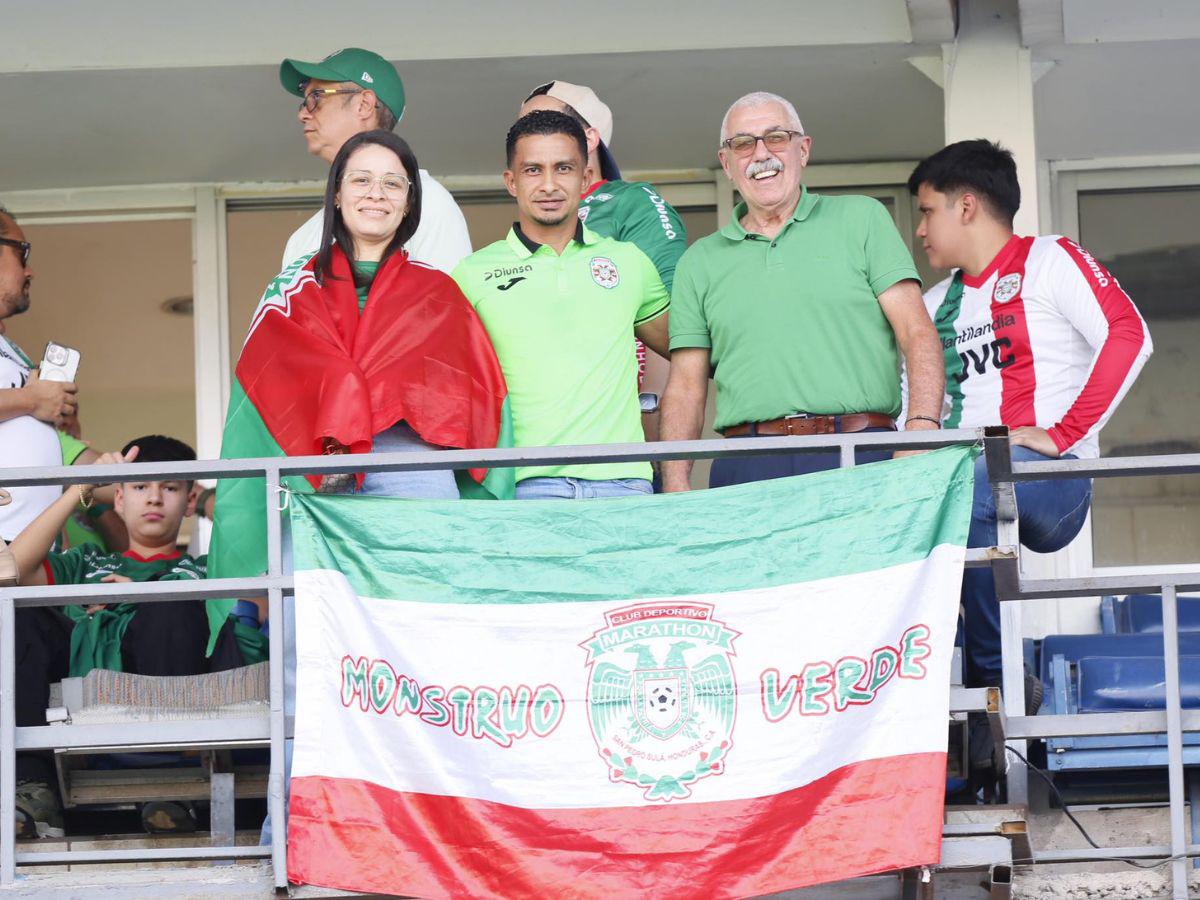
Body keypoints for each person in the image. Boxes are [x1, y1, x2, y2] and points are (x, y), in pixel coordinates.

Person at [209, 129, 509, 842]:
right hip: (314, 486)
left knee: (424, 654)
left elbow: (479, 401)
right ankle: (298, 834)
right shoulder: (289, 291)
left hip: (414, 481)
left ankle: (430, 839)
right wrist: (257, 525)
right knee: (308, 660)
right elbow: (259, 405)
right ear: (336, 195)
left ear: (410, 204)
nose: (376, 193)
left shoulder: (442, 292)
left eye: (392, 183)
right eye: (362, 179)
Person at [907, 139, 1152, 693]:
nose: (919, 231)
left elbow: (1129, 335)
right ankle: (942, 693)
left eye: (926, 211)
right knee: (923, 495)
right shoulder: (932, 303)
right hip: (967, 489)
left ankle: (995, 673)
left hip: (1054, 483)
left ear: (965, 206)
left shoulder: (1049, 258)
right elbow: (913, 410)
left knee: (965, 481)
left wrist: (1064, 433)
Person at [659, 92, 945, 491]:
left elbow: (916, 332)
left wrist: (920, 430)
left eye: (776, 137)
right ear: (727, 164)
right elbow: (687, 384)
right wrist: (674, 478)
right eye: (743, 144)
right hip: (748, 465)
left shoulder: (862, 219)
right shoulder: (699, 261)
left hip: (862, 452)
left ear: (803, 149)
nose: (761, 154)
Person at [8, 435, 245, 838]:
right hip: (80, 689)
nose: (153, 499)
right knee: (17, 613)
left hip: (170, 706)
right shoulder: (88, 561)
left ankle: (169, 784)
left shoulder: (205, 570)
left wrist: (134, 599)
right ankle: (33, 786)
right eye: (139, 486)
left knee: (173, 602)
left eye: (169, 487)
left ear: (190, 501)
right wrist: (81, 489)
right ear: (117, 499)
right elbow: (11, 569)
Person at [453, 110, 670, 500]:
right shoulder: (470, 275)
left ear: (585, 178)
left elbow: (688, 348)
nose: (549, 184)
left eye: (564, 168)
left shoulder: (629, 260)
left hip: (624, 483)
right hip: (524, 486)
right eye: (533, 170)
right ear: (511, 182)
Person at [519, 82, 687, 456]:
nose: (531, 134)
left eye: (544, 121)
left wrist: (652, 413)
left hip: (619, 435)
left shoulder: (632, 202)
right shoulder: (532, 221)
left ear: (589, 137)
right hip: (548, 434)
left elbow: (674, 320)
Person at [278, 47, 471, 274]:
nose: (303, 114)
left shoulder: (427, 201)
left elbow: (444, 304)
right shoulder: (303, 238)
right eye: (305, 102)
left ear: (364, 105)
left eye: (316, 97)